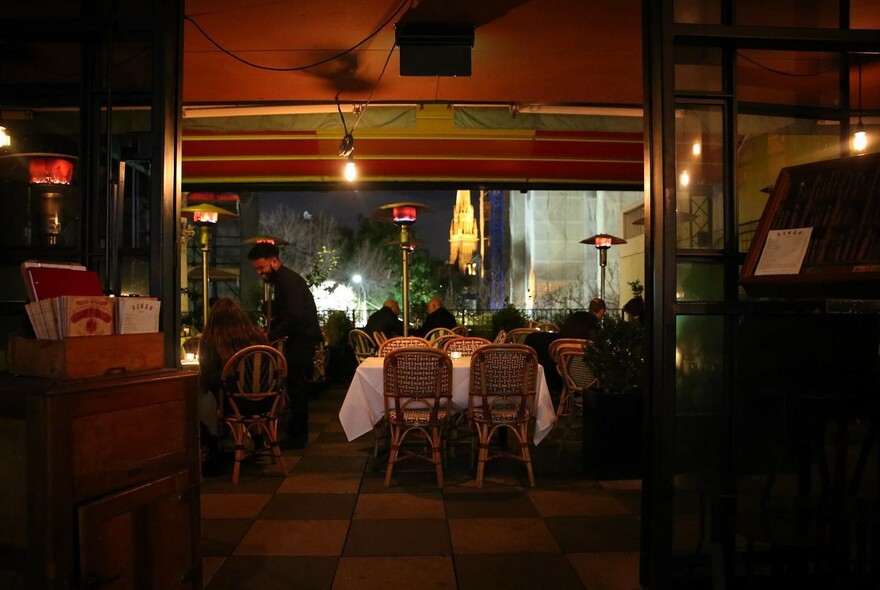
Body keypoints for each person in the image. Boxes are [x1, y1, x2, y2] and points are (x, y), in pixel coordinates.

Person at [248, 242, 323, 449]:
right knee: (295, 385)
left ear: (274, 262)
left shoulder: (287, 282)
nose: (259, 272)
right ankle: (296, 432)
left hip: (302, 338)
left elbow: (294, 316)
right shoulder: (285, 280)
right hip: (301, 337)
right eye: (256, 269)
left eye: (261, 268)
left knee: (296, 386)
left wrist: (271, 334)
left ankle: (298, 436)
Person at [197, 297, 269, 475]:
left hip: (232, 404)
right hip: (265, 401)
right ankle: (259, 437)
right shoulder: (257, 337)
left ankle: (210, 445)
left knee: (202, 394)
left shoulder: (210, 341)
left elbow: (207, 379)